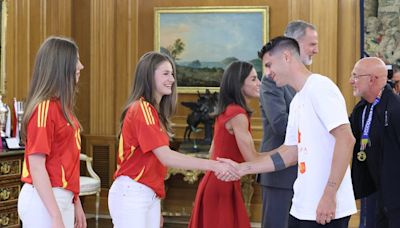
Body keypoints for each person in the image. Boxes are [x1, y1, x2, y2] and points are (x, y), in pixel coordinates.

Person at [219, 36, 357, 227]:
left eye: (269, 65)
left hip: (326, 208)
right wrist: (242, 169)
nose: (267, 73)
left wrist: (329, 194)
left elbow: (346, 139)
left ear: (286, 57)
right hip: (301, 206)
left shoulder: (320, 87)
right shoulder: (298, 100)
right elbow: (290, 153)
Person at [107, 51, 239, 228]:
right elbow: (165, 157)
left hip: (146, 193)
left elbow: (154, 164)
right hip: (133, 192)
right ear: (148, 75)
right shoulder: (142, 109)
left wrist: (156, 203)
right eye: (166, 73)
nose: (172, 79)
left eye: (172, 74)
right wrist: (214, 165)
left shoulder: (154, 112)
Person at [17, 36, 86, 228]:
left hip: (59, 198)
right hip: (43, 201)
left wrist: (76, 201)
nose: (81, 66)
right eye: (76, 61)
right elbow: (37, 166)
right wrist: (55, 216)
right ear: (61, 65)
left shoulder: (62, 108)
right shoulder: (44, 108)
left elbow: (66, 161)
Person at [258, 20, 318, 228]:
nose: (316, 50)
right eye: (312, 44)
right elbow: (280, 124)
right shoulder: (271, 80)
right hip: (280, 176)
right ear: (294, 45)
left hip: (305, 174)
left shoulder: (309, 83)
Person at [189, 61, 263, 228]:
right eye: (253, 79)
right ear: (239, 84)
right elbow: (252, 158)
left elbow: (212, 152)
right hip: (223, 185)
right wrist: (283, 155)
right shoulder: (237, 114)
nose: (259, 83)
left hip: (215, 182)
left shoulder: (227, 110)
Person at [349, 57, 400, 228]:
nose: (351, 81)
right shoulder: (361, 109)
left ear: (372, 79)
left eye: (355, 76)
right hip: (374, 193)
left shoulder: (395, 109)